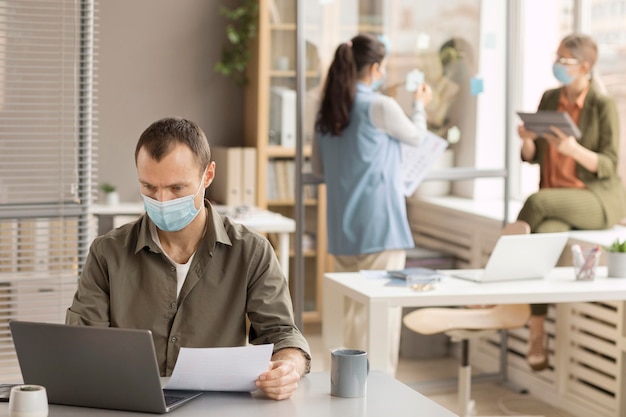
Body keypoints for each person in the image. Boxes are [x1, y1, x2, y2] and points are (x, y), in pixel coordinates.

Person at [66, 117, 311, 400]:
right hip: (129, 401)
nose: (162, 200)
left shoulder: (251, 251)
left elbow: (281, 333)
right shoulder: (107, 253)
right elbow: (83, 344)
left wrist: (288, 367)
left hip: (214, 404)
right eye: (149, 187)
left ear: (207, 176)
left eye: (176, 189)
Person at [311, 33, 432, 374]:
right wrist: (420, 104)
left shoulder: (329, 111)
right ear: (376, 68)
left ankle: (348, 389)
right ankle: (377, 394)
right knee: (380, 318)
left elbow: (318, 169)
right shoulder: (380, 105)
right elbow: (417, 137)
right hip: (380, 226)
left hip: (342, 230)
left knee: (351, 315)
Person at [516, 33, 626, 371]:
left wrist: (574, 150)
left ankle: (497, 284)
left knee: (536, 203)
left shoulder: (601, 105)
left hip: (595, 198)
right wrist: (528, 141)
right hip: (556, 198)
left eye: (565, 61)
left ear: (585, 66)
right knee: (540, 235)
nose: (558, 65)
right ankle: (537, 333)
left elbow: (609, 164)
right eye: (558, 58)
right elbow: (531, 159)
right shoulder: (550, 98)